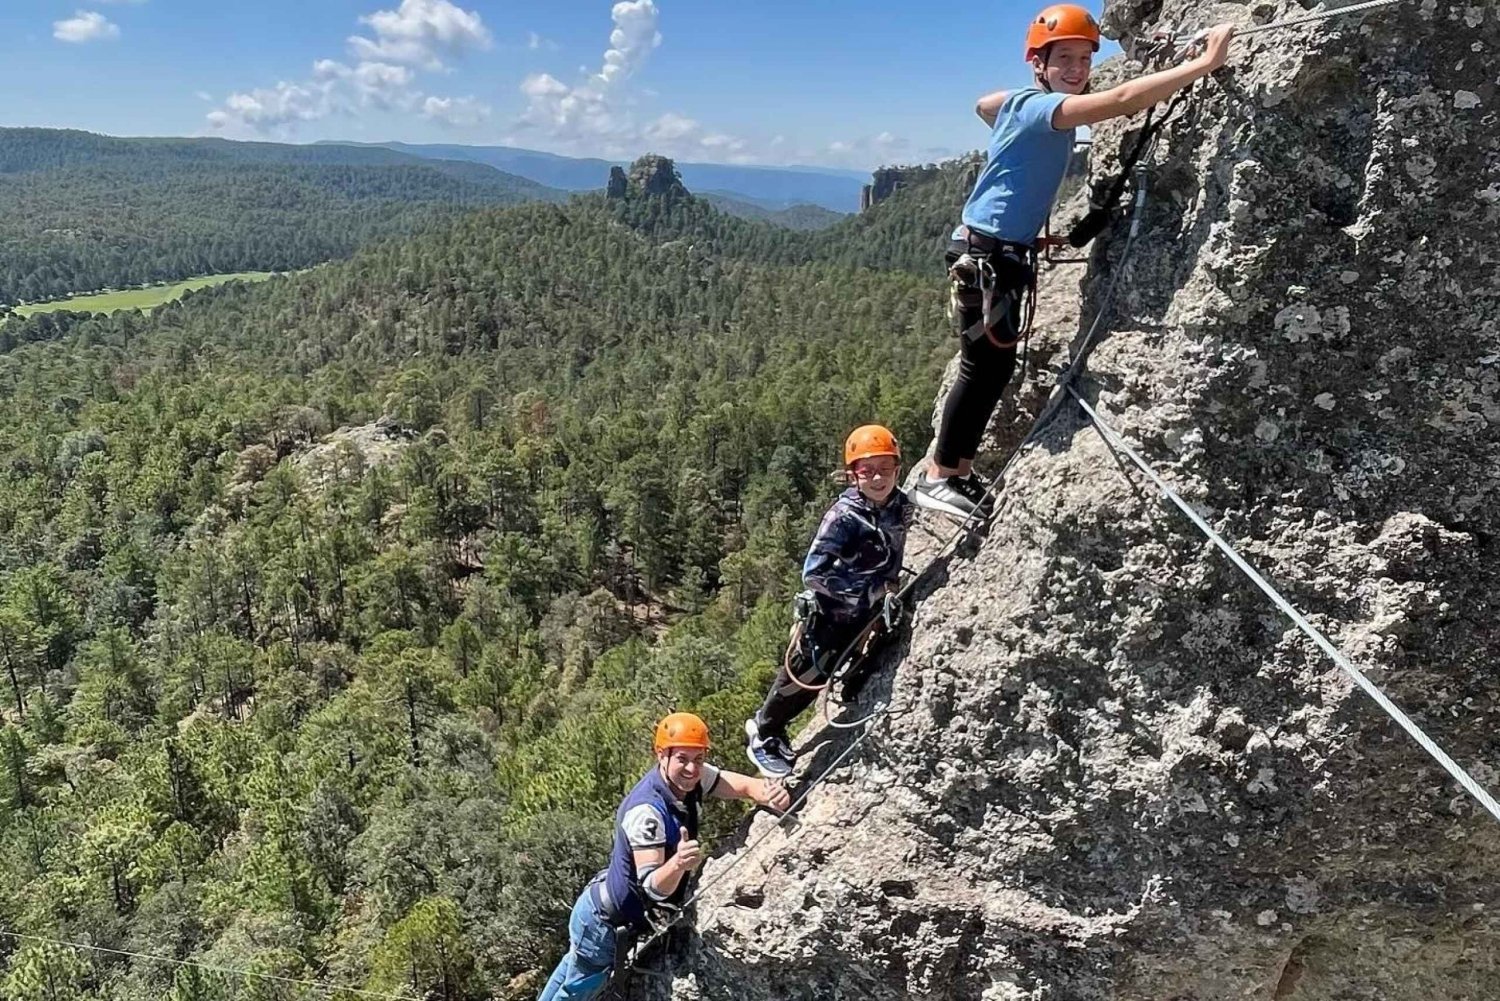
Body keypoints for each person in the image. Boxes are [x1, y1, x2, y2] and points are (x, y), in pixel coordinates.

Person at [910, 5, 1236, 521]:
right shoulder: (1044, 109)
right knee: (981, 368)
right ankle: (937, 476)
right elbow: (1125, 99)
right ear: (1038, 63)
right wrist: (1205, 62)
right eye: (1065, 58)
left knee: (994, 370)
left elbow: (982, 104)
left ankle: (958, 472)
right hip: (987, 256)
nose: (1078, 69)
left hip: (998, 250)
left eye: (1084, 58)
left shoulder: (1023, 105)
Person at [537, 712, 790, 1001]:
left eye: (698, 758)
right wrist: (679, 863)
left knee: (570, 977)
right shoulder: (647, 812)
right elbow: (653, 887)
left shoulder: (688, 779)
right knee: (574, 994)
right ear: (662, 755)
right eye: (683, 758)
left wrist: (768, 792)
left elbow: (743, 786)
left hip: (597, 913)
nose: (692, 768)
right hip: (604, 928)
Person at [744, 425, 912, 778]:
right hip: (830, 612)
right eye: (868, 471)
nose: (878, 478)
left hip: (868, 607)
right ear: (854, 475)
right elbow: (814, 573)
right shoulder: (844, 517)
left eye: (886, 468)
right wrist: (867, 591)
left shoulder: (899, 506)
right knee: (810, 674)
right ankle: (765, 729)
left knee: (875, 645)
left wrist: (889, 586)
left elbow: (895, 550)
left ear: (898, 468)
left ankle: (854, 684)